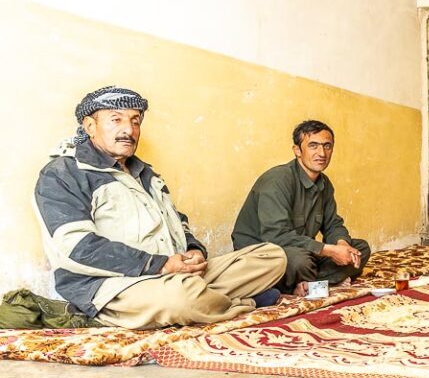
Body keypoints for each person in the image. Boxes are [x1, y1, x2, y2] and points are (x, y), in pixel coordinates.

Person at [34, 86, 287, 330]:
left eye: (135, 121)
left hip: (174, 273)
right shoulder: (63, 174)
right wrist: (159, 265)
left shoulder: (145, 173)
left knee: (273, 257)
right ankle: (242, 302)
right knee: (182, 298)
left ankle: (204, 299)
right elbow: (76, 248)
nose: (128, 130)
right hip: (113, 286)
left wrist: (193, 250)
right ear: (90, 126)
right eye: (116, 120)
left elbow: (179, 221)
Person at [232, 120, 371, 296]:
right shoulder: (277, 180)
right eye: (313, 146)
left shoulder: (324, 183)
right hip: (264, 255)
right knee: (300, 262)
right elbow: (276, 236)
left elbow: (333, 224)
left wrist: (342, 244)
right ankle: (313, 281)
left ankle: (305, 283)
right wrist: (328, 250)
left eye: (327, 146)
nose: (322, 153)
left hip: (299, 249)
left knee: (360, 249)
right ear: (297, 150)